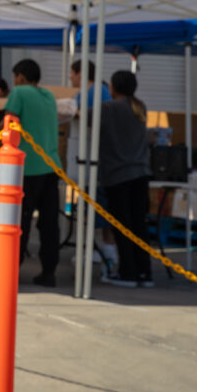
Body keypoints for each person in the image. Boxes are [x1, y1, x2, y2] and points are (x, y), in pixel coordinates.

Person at [5, 58, 63, 287]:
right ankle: (49, 271)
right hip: (51, 166)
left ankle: (11, 271)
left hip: (26, 168)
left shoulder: (18, 93)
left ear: (19, 77)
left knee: (19, 222)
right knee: (49, 223)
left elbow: (10, 124)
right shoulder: (49, 96)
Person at [98, 71, 153, 287]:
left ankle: (127, 273)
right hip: (140, 174)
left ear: (114, 88)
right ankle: (144, 272)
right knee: (139, 225)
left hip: (118, 176)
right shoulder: (140, 107)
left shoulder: (108, 108)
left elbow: (83, 116)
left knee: (122, 226)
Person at [68, 60, 116, 271]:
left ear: (80, 73)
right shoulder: (89, 91)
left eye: (72, 73)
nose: (70, 77)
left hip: (100, 161)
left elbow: (94, 118)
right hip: (88, 159)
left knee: (101, 210)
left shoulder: (97, 91)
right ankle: (100, 251)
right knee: (93, 209)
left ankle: (106, 252)